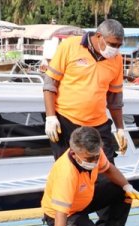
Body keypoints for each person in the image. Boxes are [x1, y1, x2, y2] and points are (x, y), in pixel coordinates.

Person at [41, 126, 139, 226]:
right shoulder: (66, 174)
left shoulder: (94, 152)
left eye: (96, 157)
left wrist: (127, 186)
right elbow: (61, 213)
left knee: (121, 191)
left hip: (82, 200)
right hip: (64, 214)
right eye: (89, 159)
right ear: (74, 153)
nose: (94, 162)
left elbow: (108, 169)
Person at [43, 19, 127, 163]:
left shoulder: (117, 59)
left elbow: (115, 98)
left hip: (98, 124)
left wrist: (120, 128)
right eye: (113, 44)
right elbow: (50, 84)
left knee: (106, 170)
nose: (116, 49)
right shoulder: (70, 46)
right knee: (70, 168)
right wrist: (51, 117)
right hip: (66, 121)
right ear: (99, 36)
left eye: (119, 45)